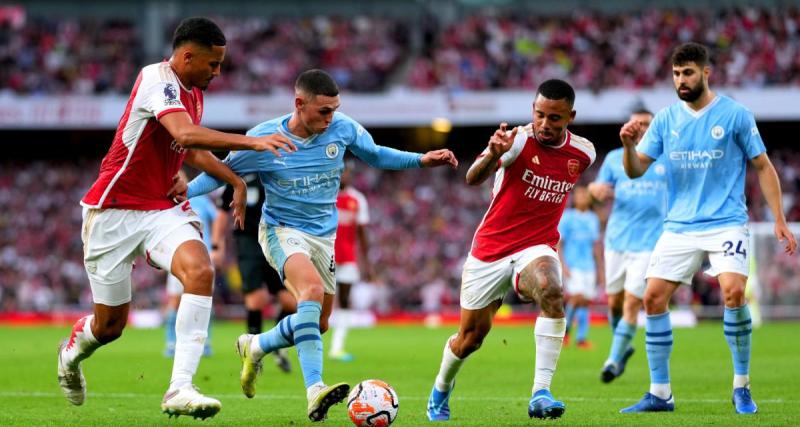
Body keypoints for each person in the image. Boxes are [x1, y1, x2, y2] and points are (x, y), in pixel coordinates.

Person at [186, 69, 458, 422]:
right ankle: (315, 390)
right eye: (324, 111)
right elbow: (218, 171)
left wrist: (420, 159)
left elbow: (375, 155)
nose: (331, 118)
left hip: (323, 238)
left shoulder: (342, 127)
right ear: (299, 104)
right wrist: (180, 193)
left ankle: (256, 345)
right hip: (282, 231)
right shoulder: (265, 138)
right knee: (310, 292)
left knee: (319, 323)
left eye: (334, 109)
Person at [56, 17, 294, 420]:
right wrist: (251, 141)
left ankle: (179, 387)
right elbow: (184, 135)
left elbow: (191, 151)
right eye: (213, 64)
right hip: (112, 212)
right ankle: (71, 353)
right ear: (186, 56)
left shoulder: (194, 92)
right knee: (110, 327)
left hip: (161, 208)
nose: (217, 72)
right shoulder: (156, 78)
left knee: (200, 271)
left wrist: (234, 180)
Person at [618, 42, 797, 414]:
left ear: (705, 73)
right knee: (652, 298)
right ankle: (660, 393)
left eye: (688, 73)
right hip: (680, 227)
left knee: (734, 292)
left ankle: (742, 387)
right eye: (676, 74)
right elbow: (636, 170)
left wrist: (778, 218)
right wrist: (626, 147)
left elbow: (763, 166)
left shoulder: (735, 114)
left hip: (726, 222)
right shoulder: (666, 119)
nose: (681, 80)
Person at [426, 79, 596, 421]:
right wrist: (493, 154)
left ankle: (540, 393)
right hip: (491, 249)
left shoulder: (583, 153)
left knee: (551, 289)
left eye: (555, 118)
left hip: (537, 246)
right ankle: (441, 389)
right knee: (470, 339)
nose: (545, 124)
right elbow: (472, 178)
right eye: (539, 115)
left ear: (570, 117)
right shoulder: (516, 140)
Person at [588, 108, 665, 383]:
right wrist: (595, 192)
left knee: (633, 302)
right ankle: (622, 345)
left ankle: (612, 359)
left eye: (647, 123)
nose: (642, 128)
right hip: (616, 241)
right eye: (638, 123)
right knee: (615, 304)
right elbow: (597, 192)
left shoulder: (666, 157)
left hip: (648, 243)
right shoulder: (613, 159)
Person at [217, 177, 297, 372]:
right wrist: (216, 243)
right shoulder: (239, 174)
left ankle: (277, 345)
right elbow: (222, 211)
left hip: (274, 241)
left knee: (291, 302)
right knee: (256, 300)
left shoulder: (276, 171)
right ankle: (253, 356)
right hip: (249, 243)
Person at [164, 192, 222, 358]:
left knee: (204, 300)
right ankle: (171, 343)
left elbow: (218, 217)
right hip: (177, 255)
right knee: (175, 301)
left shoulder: (200, 200)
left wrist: (217, 244)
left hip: (204, 255)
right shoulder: (167, 202)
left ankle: (205, 342)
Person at [329, 163, 371, 362]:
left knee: (345, 300)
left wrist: (367, 263)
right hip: (324, 256)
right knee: (318, 301)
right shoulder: (325, 195)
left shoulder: (358, 199)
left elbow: (362, 235)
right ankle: (314, 345)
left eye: (346, 172)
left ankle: (337, 347)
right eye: (341, 171)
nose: (344, 175)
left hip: (347, 259)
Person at [557, 185, 603, 349]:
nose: (582, 197)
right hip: (573, 264)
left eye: (585, 195)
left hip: (589, 266)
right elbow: (559, 244)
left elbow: (596, 246)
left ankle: (581, 338)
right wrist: (563, 265)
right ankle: (565, 333)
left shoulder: (593, 218)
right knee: (576, 298)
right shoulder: (567, 217)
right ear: (574, 198)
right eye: (579, 195)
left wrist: (599, 269)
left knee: (585, 302)